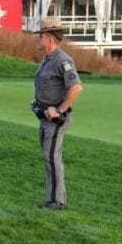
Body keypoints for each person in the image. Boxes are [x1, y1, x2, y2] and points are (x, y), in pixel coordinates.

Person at [29, 18, 83, 210]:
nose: (38, 39)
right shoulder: (48, 59)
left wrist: (59, 110)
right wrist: (37, 103)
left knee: (52, 158)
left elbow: (76, 87)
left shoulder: (62, 60)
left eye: (41, 36)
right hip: (44, 117)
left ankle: (56, 201)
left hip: (55, 120)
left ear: (50, 39)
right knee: (49, 157)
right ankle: (54, 199)